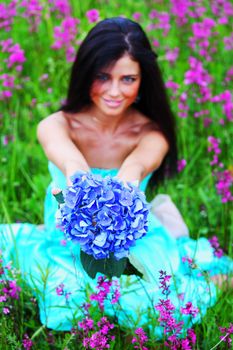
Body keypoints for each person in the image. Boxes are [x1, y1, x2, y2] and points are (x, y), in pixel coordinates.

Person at [0, 17, 232, 336]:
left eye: (127, 79)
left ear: (142, 82)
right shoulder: (56, 125)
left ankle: (212, 281)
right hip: (65, 239)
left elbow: (133, 170)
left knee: (150, 305)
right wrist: (83, 190)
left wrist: (120, 199)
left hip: (130, 243)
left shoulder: (151, 134)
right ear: (86, 74)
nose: (114, 91)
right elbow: (72, 166)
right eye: (103, 76)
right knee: (64, 291)